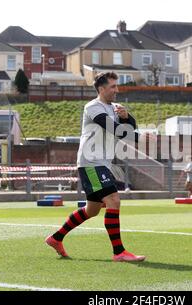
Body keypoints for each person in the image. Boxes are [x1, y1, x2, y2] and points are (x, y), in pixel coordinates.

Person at [46, 72, 149, 262]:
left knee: (92, 210)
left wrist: (127, 117)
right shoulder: (93, 107)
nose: (116, 90)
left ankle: (56, 238)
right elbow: (113, 129)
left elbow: (129, 128)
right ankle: (119, 252)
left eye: (116, 86)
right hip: (91, 162)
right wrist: (140, 138)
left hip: (101, 163)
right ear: (101, 89)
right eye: (112, 87)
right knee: (113, 200)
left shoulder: (116, 108)